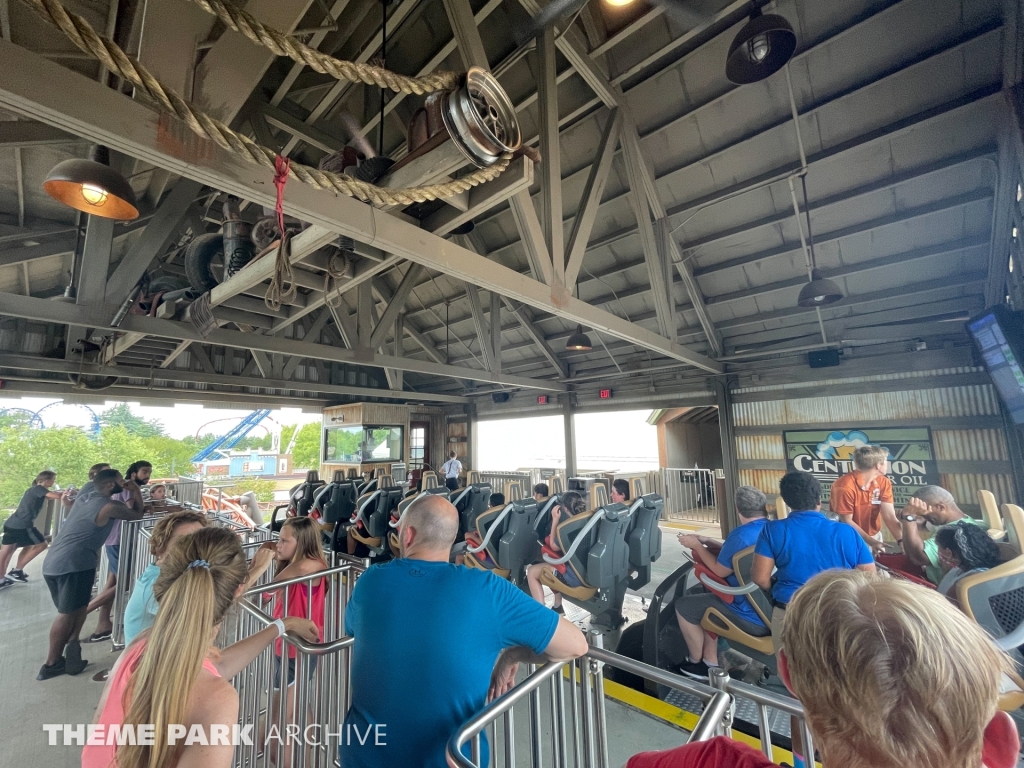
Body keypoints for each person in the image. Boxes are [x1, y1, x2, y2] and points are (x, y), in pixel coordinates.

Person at [624, 571, 1019, 768]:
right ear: (1000, 738)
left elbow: (638, 763)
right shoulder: (999, 744)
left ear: (789, 673)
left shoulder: (718, 758)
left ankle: (700, 665)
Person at [342, 494, 587, 767]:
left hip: (362, 755)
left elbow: (352, 627)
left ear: (407, 535)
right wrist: (512, 655)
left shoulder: (370, 581)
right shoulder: (488, 590)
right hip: (452, 758)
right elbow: (577, 644)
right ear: (451, 539)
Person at [83, 526, 319, 768]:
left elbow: (216, 665)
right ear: (238, 590)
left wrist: (281, 625)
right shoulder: (217, 700)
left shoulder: (142, 643)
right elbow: (208, 678)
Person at [38, 469, 145, 680]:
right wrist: (136, 492)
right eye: (119, 481)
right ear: (108, 486)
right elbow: (137, 515)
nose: (123, 483)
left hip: (57, 560)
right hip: (74, 563)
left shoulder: (86, 495)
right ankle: (51, 664)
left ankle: (71, 646)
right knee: (67, 613)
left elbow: (85, 489)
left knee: (77, 607)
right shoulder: (110, 506)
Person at [751, 471, 875, 651]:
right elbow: (869, 577)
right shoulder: (846, 532)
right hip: (837, 614)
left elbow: (760, 578)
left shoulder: (772, 530)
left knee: (791, 672)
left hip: (790, 611)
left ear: (786, 502)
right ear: (819, 501)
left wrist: (775, 589)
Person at [673, 486, 771, 679]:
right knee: (706, 602)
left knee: (684, 606)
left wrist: (697, 546)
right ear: (763, 507)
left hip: (748, 614)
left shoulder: (740, 534)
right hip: (767, 610)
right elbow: (735, 556)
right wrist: (708, 541)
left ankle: (696, 663)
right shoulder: (769, 528)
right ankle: (710, 660)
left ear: (738, 509)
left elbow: (720, 569)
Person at [244, 516, 328, 688]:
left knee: (283, 705)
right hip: (285, 641)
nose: (278, 545)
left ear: (302, 543)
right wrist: (266, 550)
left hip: (299, 645)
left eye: (284, 541)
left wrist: (265, 577)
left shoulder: (311, 566)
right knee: (296, 704)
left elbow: (301, 569)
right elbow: (271, 547)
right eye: (278, 539)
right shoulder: (295, 563)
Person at [84, 459, 153, 643]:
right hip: (121, 539)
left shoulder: (118, 491)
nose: (148, 476)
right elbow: (133, 512)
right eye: (145, 472)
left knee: (115, 579)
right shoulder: (127, 490)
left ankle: (103, 623)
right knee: (126, 581)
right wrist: (137, 494)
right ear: (133, 474)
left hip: (114, 539)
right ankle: (84, 611)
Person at [122, 510, 208, 645]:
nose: (195, 547)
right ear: (161, 547)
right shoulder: (156, 582)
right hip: (146, 664)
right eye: (184, 541)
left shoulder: (173, 572)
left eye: (201, 540)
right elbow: (205, 616)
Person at [878, 485, 989, 585]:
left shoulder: (954, 532)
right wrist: (910, 518)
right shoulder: (959, 519)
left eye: (926, 513)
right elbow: (925, 525)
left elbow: (918, 557)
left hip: (938, 587)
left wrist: (909, 518)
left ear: (940, 507)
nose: (924, 516)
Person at [525, 490, 588, 614]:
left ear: (564, 509)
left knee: (532, 572)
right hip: (587, 574)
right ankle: (557, 605)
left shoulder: (569, 528)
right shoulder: (588, 520)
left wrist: (555, 519)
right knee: (548, 567)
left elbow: (553, 546)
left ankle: (540, 614)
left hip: (574, 578)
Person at [0, 470, 66, 587]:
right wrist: (69, 493)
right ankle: (16, 571)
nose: (54, 481)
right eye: (53, 480)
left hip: (12, 523)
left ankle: (3, 578)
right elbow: (55, 496)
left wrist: (59, 491)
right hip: (22, 525)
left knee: (11, 550)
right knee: (42, 545)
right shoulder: (38, 488)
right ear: (47, 480)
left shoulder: (34, 490)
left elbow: (50, 496)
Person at [830, 445, 901, 551]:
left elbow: (889, 515)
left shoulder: (884, 482)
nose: (887, 464)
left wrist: (902, 541)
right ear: (878, 465)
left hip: (874, 536)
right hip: (849, 537)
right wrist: (871, 542)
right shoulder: (844, 486)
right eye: (886, 461)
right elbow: (846, 520)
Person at [935, 520, 1003, 603]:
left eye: (938, 547)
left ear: (948, 553)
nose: (938, 551)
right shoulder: (959, 570)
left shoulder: (964, 584)